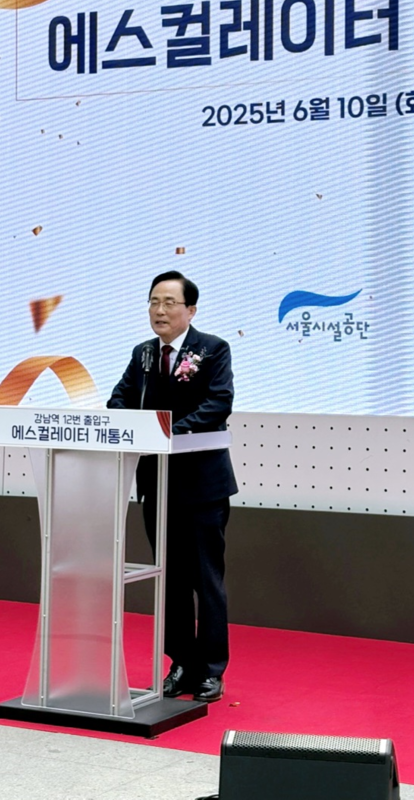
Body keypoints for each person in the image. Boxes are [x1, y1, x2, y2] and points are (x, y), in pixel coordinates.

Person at [107, 271, 237, 702]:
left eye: (168, 303)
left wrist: (167, 435)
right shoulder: (143, 354)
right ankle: (181, 663)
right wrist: (129, 426)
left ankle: (211, 670)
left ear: (190, 310)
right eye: (153, 302)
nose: (159, 311)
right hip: (157, 485)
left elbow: (218, 404)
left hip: (201, 486)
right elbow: (119, 399)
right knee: (170, 580)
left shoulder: (212, 349)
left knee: (206, 580)